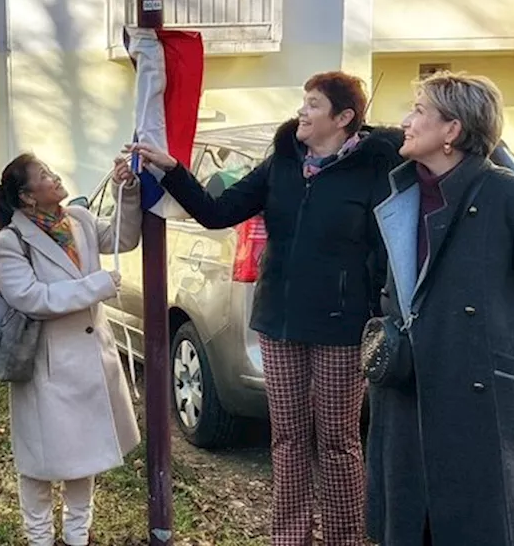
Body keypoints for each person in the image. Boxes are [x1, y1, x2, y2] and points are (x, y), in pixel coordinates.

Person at [127, 72, 403, 546]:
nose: (302, 111)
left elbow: (390, 249)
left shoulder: (376, 171)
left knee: (337, 442)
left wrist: (375, 309)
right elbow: (218, 211)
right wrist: (173, 168)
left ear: (343, 118)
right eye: (303, 101)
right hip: (278, 320)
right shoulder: (282, 163)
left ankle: (343, 537)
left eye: (313, 104)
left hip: (342, 325)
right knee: (288, 437)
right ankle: (291, 537)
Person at [366, 72, 514, 546]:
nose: (406, 121)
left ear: (452, 131)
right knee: (413, 524)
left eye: (419, 111)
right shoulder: (401, 197)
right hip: (408, 394)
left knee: (487, 526)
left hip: (485, 403)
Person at [0, 154, 141, 546]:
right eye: (45, 176)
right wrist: (96, 286)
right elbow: (30, 297)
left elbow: (123, 237)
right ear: (27, 197)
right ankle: (38, 539)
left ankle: (77, 536)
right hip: (45, 366)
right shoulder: (11, 241)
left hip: (90, 359)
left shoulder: (80, 219)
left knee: (84, 457)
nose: (56, 178)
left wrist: (128, 191)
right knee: (38, 464)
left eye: (53, 171)